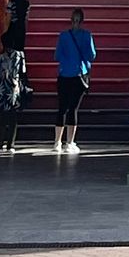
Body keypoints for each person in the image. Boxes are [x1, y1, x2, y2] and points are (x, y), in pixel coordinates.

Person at [54, 9, 95, 152]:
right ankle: (70, 142)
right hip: (78, 74)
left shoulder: (63, 36)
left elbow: (57, 55)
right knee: (73, 109)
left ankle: (57, 142)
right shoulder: (86, 35)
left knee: (62, 107)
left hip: (64, 74)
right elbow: (91, 55)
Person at [0, 43, 27, 154]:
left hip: (12, 90)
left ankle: (8, 143)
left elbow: (22, 75)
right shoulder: (0, 59)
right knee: (4, 118)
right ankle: (3, 143)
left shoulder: (18, 56)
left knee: (10, 118)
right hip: (4, 89)